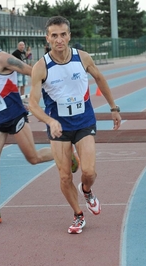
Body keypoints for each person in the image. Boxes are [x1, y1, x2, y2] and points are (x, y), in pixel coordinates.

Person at [0, 24, 80, 223]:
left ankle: (68, 154)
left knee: (34, 158)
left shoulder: (3, 58)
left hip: (14, 117)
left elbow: (34, 72)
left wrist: (49, 93)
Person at [29, 16, 121, 234]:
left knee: (88, 171)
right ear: (48, 38)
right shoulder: (41, 67)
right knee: (64, 176)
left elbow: (100, 79)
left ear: (69, 36)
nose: (59, 40)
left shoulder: (83, 58)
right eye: (54, 35)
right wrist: (50, 121)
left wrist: (114, 108)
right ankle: (78, 215)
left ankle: (87, 190)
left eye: (63, 35)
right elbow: (32, 104)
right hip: (59, 127)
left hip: (84, 122)